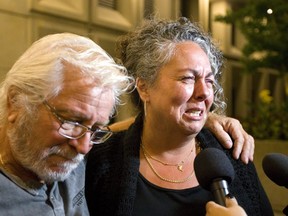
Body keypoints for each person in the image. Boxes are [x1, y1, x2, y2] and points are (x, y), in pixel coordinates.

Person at [85, 17, 273, 216]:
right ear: (144, 87)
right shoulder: (102, 161)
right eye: (188, 78)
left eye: (209, 81)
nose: (205, 92)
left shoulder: (233, 154)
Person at [0, 33, 132, 215]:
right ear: (15, 102)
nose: (84, 148)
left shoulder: (67, 152)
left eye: (96, 129)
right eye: (72, 122)